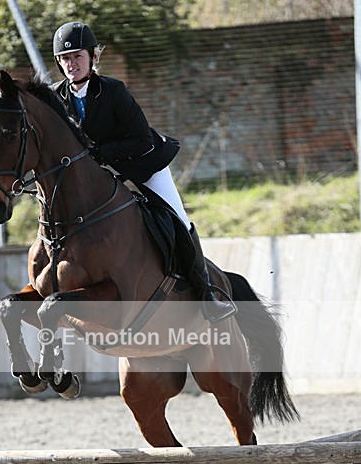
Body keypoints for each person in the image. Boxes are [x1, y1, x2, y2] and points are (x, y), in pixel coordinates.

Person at [52, 20, 235, 322]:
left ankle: (206, 293)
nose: (72, 64)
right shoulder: (57, 98)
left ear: (92, 58)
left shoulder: (113, 90)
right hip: (101, 178)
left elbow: (141, 140)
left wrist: (100, 154)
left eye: (77, 57)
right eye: (66, 59)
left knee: (178, 219)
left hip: (142, 165)